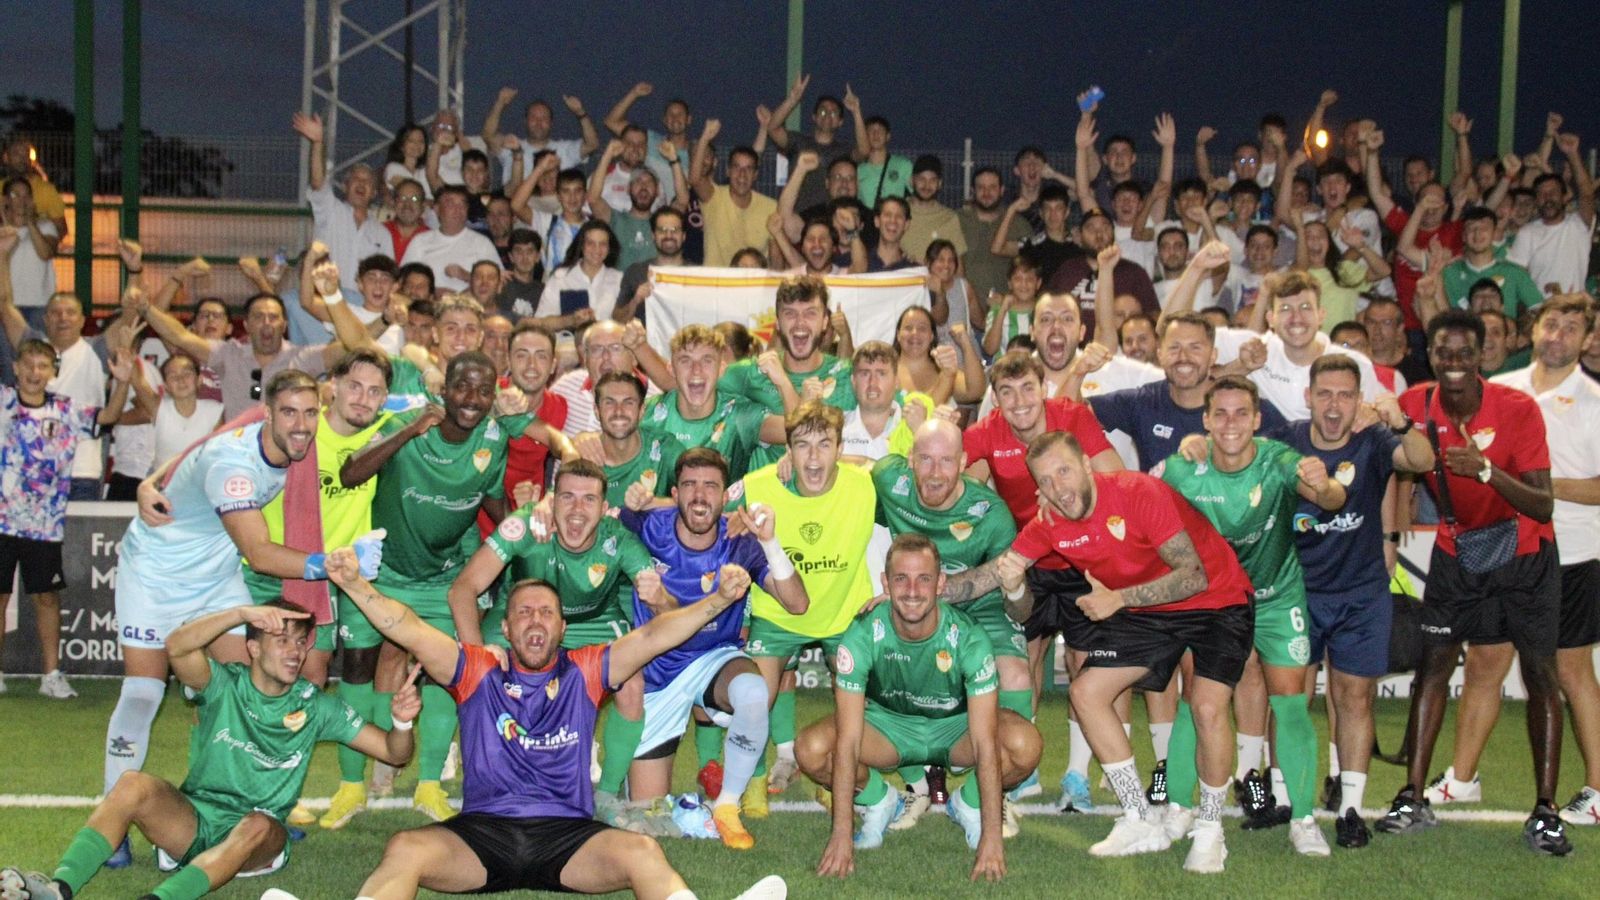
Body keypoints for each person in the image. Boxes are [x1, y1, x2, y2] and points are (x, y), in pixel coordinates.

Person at [314, 532, 787, 900]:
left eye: (545, 613)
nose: (535, 621)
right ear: (506, 626)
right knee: (405, 847)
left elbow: (653, 638)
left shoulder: (585, 671)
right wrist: (355, 583)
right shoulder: (476, 670)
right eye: (523, 613)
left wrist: (720, 600)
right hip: (482, 834)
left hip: (570, 837)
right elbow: (411, 630)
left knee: (643, 851)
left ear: (563, 628)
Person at [108, 370, 385, 863]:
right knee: (143, 693)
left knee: (253, 688)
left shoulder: (273, 436)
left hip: (214, 570)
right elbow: (258, 553)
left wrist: (156, 477)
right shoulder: (234, 467)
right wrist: (334, 563)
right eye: (289, 414)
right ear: (268, 413)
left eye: (309, 413)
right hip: (155, 573)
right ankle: (113, 831)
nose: (301, 425)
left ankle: (250, 811)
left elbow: (194, 449)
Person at [0, 601, 419, 900]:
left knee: (256, 822)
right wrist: (239, 614)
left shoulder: (315, 705)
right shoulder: (224, 684)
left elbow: (393, 752)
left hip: (259, 839)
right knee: (132, 784)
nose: (296, 652)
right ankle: (58, 888)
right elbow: (177, 646)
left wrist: (401, 722)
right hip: (195, 820)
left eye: (301, 643)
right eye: (282, 641)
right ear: (253, 647)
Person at [994, 431, 1255, 871]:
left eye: (1064, 470)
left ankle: (1210, 827)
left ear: (1087, 466)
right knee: (1086, 692)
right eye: (1046, 480)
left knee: (1208, 708)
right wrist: (998, 580)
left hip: (1217, 599)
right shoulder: (1049, 524)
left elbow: (1193, 576)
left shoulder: (1139, 492)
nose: (1058, 488)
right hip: (1151, 610)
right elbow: (1000, 586)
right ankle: (1138, 815)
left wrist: (1118, 599)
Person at [337, 351, 581, 822]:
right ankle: (351, 785)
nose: (472, 398)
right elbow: (351, 474)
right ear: (444, 389)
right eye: (463, 387)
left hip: (441, 579)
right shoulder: (409, 423)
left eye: (483, 390)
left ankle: (429, 783)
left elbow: (489, 498)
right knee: (357, 671)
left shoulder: (493, 436)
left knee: (449, 672)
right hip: (380, 573)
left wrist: (518, 537)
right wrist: (410, 431)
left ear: (493, 397)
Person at [1382, 309, 1569, 856]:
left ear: (1485, 355)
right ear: (1432, 355)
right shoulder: (1415, 404)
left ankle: (1546, 812)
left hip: (1526, 552)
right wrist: (1390, 534)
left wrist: (1486, 470)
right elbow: (1389, 462)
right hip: (1455, 552)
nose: (1455, 363)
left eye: (1466, 353)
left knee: (1540, 675)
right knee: (1433, 668)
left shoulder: (1517, 408)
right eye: (1444, 352)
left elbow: (1543, 501)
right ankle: (1412, 795)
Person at [1161, 375, 1346, 858]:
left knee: (1289, 703)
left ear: (1258, 419)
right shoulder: (1183, 471)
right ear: (1204, 420)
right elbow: (1146, 515)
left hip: (1277, 599)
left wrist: (1323, 485)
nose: (1230, 424)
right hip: (1213, 604)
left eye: (1241, 413)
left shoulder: (1280, 461)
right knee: (1195, 699)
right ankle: (1181, 806)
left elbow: (1333, 500)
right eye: (1219, 414)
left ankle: (1303, 818)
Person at [798, 533, 1041, 880]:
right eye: (901, 579)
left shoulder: (969, 638)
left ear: (941, 583)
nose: (912, 590)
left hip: (955, 729)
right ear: (886, 582)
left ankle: (968, 804)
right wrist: (841, 836)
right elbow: (849, 739)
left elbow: (985, 743)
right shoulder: (864, 632)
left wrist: (991, 839)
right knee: (812, 750)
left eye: (924, 579)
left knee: (1025, 745)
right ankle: (880, 800)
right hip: (889, 728)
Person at [1448, 297, 1600, 828]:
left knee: (1569, 670)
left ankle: (1598, 789)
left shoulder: (1595, 400)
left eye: (1572, 327)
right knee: (1486, 663)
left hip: (1573, 553)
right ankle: (1460, 780)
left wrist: (1535, 486)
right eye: (1551, 323)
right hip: (1502, 549)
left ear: (1586, 340)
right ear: (1533, 330)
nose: (1558, 333)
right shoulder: (1501, 387)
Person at [448, 460, 661, 832]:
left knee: (632, 684)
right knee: (487, 678)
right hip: (527, 617)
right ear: (552, 498)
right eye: (567, 497)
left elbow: (668, 610)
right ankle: (495, 782)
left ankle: (606, 796)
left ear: (604, 506)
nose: (577, 510)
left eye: (589, 500)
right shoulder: (526, 526)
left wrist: (659, 597)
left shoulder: (619, 539)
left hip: (594, 621)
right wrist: (477, 656)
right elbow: (462, 589)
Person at [620, 447, 810, 850]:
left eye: (711, 487)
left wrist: (771, 541)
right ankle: (629, 777)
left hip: (713, 660)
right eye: (689, 486)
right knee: (646, 814)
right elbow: (594, 522)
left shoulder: (738, 540)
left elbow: (797, 603)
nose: (700, 496)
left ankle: (726, 806)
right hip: (657, 670)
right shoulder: (648, 526)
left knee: (754, 692)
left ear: (726, 497)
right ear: (674, 493)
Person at [1284, 354, 1434, 848]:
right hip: (1298, 590)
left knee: (1354, 697)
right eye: (1324, 393)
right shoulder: (1285, 441)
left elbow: (1423, 461)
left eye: (1345, 395)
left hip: (1360, 592)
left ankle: (1350, 808)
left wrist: (1402, 419)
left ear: (1358, 401)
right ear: (1308, 398)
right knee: (1291, 700)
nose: (1334, 405)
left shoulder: (1375, 439)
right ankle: (1290, 800)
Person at [962, 351, 1122, 811]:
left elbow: (1113, 474)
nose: (1019, 401)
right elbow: (944, 468)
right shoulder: (986, 431)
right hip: (1027, 563)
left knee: (1083, 664)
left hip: (1080, 562)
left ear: (1043, 388)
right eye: (1007, 392)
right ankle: (1023, 768)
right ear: (996, 399)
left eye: (1028, 388)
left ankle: (1076, 775)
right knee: (1025, 660)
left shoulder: (1072, 416)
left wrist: (1068, 501)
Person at [869, 421, 1037, 823]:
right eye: (925, 459)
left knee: (1014, 675)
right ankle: (919, 780)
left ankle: (993, 789)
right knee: (874, 655)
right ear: (910, 461)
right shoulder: (890, 481)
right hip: (917, 600)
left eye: (946, 461)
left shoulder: (991, 514)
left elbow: (1020, 605)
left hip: (981, 608)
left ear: (964, 463)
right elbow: (850, 476)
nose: (935, 471)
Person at [738, 402, 878, 811]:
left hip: (842, 611)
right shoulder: (757, 486)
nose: (813, 457)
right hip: (779, 610)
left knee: (852, 699)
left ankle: (833, 776)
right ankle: (755, 779)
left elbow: (916, 483)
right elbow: (707, 510)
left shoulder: (866, 484)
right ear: (788, 450)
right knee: (753, 697)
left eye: (824, 444)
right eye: (802, 445)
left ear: (839, 447)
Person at [0, 336, 132, 697]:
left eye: (42, 366)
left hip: (44, 527)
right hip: (2, 522)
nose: (34, 372)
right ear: (15, 368)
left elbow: (109, 416)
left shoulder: (66, 409)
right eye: (27, 364)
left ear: (52, 373)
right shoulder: (4, 401)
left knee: (46, 598)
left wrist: (121, 380)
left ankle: (51, 676)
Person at [718, 276, 854, 468]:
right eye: (790, 314)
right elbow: (685, 380)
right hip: (763, 494)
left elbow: (805, 438)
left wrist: (782, 381)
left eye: (810, 313)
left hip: (823, 495)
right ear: (778, 323)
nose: (800, 323)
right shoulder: (755, 372)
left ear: (825, 321)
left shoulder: (845, 376)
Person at [643, 324, 787, 483]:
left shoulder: (739, 415)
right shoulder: (647, 413)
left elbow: (799, 432)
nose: (696, 370)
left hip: (724, 508)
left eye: (707, 360)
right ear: (671, 369)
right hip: (657, 508)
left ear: (722, 369)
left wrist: (783, 384)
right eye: (685, 360)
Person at [293, 113, 390, 291]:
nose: (361, 184)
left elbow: (387, 274)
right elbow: (318, 182)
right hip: (324, 300)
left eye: (367, 181)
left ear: (374, 192)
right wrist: (317, 143)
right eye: (356, 179)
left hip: (362, 307)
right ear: (345, 186)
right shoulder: (331, 210)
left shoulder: (382, 233)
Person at [1508, 139, 1596, 295]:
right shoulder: (1527, 233)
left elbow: (1586, 193)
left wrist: (1573, 154)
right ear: (1536, 201)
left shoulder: (1579, 224)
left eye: (1553, 192)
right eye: (1541, 194)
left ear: (1564, 197)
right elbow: (1516, 277)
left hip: (1575, 310)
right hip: (1541, 312)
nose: (1547, 198)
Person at [691, 120, 778, 267]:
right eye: (737, 168)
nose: (742, 175)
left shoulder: (771, 207)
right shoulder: (713, 197)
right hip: (716, 285)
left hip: (753, 286)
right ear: (728, 171)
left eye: (748, 169)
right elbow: (695, 179)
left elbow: (776, 258)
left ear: (756, 174)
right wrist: (705, 138)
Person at [958, 166, 1031, 303]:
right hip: (967, 309)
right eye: (981, 187)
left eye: (992, 187)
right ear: (973, 191)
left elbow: (1030, 268)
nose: (987, 193)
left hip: (1008, 310)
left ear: (1001, 190)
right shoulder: (957, 221)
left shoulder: (1020, 225)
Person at [536, 220, 623, 323]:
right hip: (567, 338)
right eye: (591, 243)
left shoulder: (619, 279)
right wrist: (570, 320)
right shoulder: (561, 277)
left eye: (603, 244)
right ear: (582, 246)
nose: (597, 249)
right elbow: (541, 321)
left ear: (609, 248)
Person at [616, 207, 692, 323]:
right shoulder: (635, 272)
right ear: (653, 236)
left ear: (683, 236)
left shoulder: (698, 275)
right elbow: (618, 320)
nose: (668, 235)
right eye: (662, 230)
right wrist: (636, 300)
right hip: (643, 340)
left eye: (675, 230)